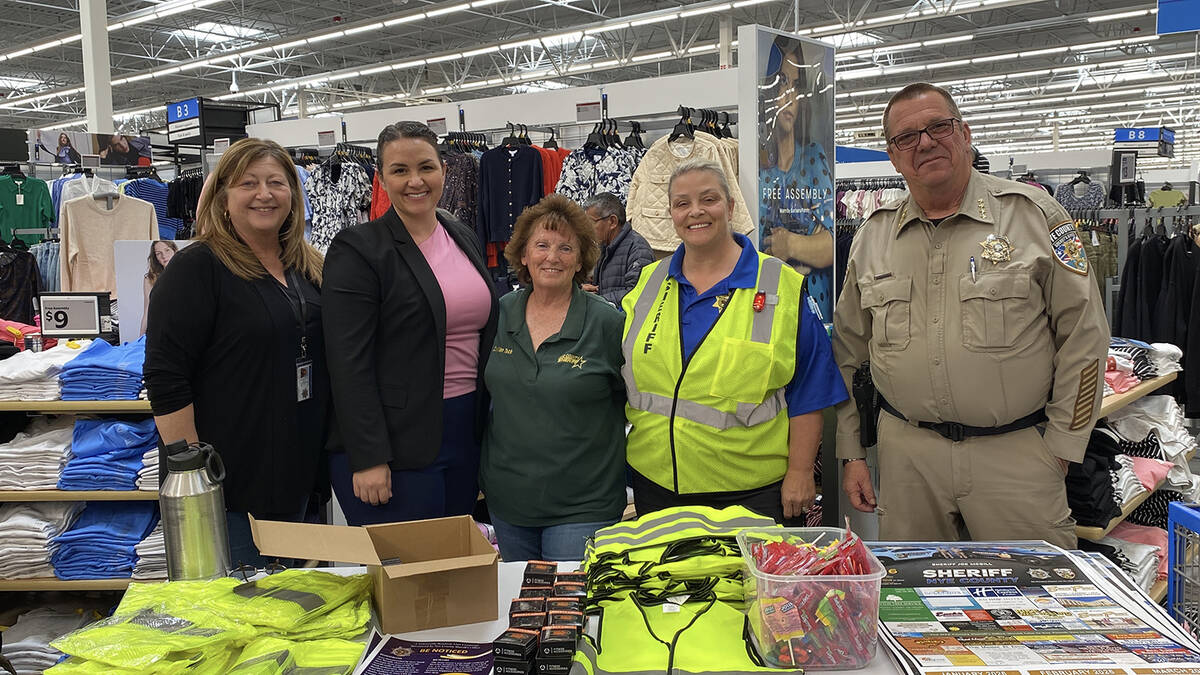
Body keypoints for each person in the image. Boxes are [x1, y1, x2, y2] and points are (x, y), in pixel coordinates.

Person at [832, 82, 1110, 547]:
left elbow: (1084, 336)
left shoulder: (1034, 217)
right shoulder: (872, 238)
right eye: (906, 138)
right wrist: (851, 451)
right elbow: (846, 351)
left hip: (1015, 454)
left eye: (937, 127)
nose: (924, 143)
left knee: (1034, 602)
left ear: (964, 133)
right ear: (894, 157)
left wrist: (1064, 444)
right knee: (914, 600)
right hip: (907, 460)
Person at [621, 158, 847, 524]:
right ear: (671, 214)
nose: (695, 212)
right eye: (682, 203)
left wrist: (801, 472)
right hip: (656, 487)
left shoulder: (780, 284)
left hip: (752, 494)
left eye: (708, 199)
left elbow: (810, 389)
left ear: (729, 206)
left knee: (754, 583)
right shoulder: (648, 282)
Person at [144, 138, 328, 566]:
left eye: (276, 183)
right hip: (227, 486)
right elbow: (165, 376)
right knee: (239, 612)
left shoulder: (309, 266)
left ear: (293, 195)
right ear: (224, 196)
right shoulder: (198, 267)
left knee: (294, 610)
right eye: (248, 183)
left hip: (299, 475)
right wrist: (194, 477)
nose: (264, 194)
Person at [322, 121, 498, 526]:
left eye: (425, 167)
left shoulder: (460, 234)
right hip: (395, 442)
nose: (414, 181)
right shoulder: (359, 249)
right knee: (409, 577)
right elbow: (348, 360)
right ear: (381, 178)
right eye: (399, 170)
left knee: (451, 567)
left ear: (444, 171)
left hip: (463, 431)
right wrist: (368, 457)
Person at [481, 194, 626, 561]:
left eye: (566, 247)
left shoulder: (606, 323)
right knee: (522, 609)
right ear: (523, 255)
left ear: (581, 260)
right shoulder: (498, 313)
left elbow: (633, 403)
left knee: (569, 612)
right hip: (509, 503)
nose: (552, 256)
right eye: (541, 245)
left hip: (583, 506)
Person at [758, 37, 836, 321]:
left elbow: (830, 244)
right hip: (768, 302)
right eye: (780, 83)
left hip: (815, 301)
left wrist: (789, 245)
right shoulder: (756, 171)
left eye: (794, 85)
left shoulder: (813, 159)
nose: (789, 96)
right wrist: (809, 244)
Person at [581, 192, 654, 308]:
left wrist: (597, 300)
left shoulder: (637, 249)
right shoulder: (603, 245)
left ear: (612, 222)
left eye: (591, 223)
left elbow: (638, 294)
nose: (587, 229)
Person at [140, 240, 178, 337]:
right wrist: (140, 338)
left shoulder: (188, 273)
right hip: (158, 330)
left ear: (174, 251)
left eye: (167, 250)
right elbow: (147, 310)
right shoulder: (150, 279)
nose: (164, 256)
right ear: (155, 258)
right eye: (158, 253)